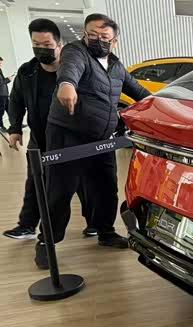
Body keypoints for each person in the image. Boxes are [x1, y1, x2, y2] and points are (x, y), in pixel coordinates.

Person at [35, 13, 149, 269]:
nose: (98, 40)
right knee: (60, 189)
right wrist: (66, 84)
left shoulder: (117, 66)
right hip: (68, 133)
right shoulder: (76, 52)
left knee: (106, 186)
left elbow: (140, 92)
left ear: (115, 41)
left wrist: (166, 102)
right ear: (85, 35)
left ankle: (106, 232)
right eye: (92, 34)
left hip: (101, 137)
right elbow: (70, 69)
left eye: (104, 36)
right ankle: (46, 242)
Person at [4, 19, 95, 241]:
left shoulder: (74, 69)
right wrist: (15, 128)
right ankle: (27, 225)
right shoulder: (27, 71)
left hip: (73, 139)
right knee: (35, 182)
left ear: (59, 44)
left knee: (83, 183)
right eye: (36, 44)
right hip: (41, 137)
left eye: (46, 45)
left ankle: (94, 224)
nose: (41, 49)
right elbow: (16, 100)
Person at [0, 57, 14, 132]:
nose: (0, 64)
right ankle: (1, 127)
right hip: (0, 95)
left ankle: (15, 125)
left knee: (10, 110)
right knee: (1, 112)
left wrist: (7, 79)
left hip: (4, 94)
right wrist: (8, 79)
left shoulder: (0, 70)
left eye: (1, 63)